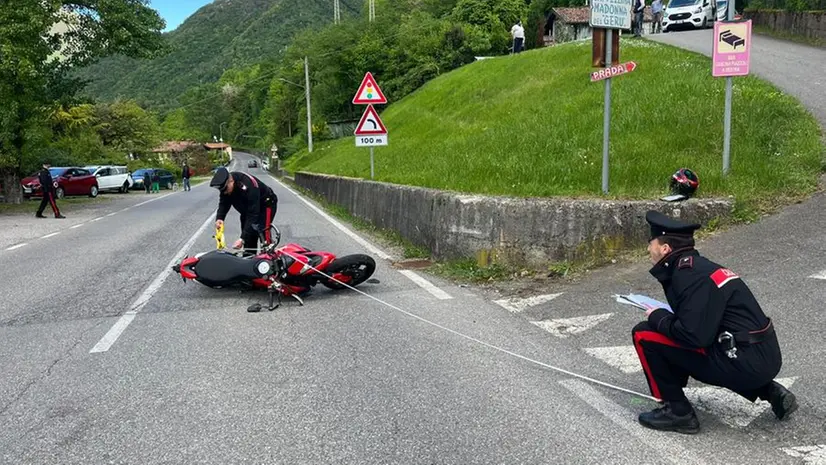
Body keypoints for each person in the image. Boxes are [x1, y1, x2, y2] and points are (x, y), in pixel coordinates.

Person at [632, 210, 797, 434]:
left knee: (644, 334)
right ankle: (770, 391)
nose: (648, 249)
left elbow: (693, 336)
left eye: (651, 243)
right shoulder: (701, 267)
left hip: (744, 362)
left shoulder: (687, 277)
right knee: (704, 338)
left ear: (665, 249)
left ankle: (677, 412)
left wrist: (657, 316)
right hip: (762, 356)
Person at [210, 167, 278, 256]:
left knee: (263, 232)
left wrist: (242, 238)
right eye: (222, 191)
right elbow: (224, 203)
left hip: (265, 205)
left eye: (226, 189)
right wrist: (220, 218)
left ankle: (268, 259)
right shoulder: (226, 186)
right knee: (248, 236)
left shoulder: (249, 185)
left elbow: (253, 214)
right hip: (247, 210)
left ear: (231, 181)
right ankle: (249, 260)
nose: (225, 192)